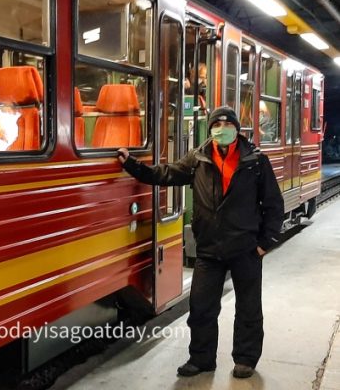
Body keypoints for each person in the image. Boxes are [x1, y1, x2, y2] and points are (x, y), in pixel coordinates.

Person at [117, 106, 284, 379]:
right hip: (209, 250)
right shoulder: (199, 158)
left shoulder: (255, 161)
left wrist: (265, 242)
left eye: (226, 123)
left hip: (245, 248)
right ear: (210, 129)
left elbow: (274, 205)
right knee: (202, 308)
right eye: (216, 124)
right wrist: (132, 165)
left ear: (236, 128)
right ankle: (202, 359)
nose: (222, 128)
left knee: (248, 308)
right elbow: (166, 173)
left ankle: (245, 359)